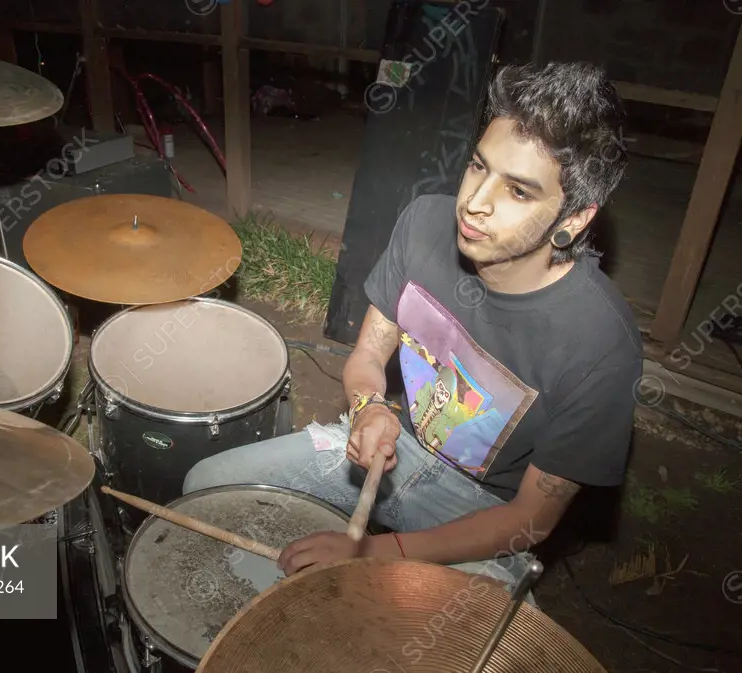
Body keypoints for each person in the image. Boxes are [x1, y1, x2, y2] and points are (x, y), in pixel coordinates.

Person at [183, 61, 643, 592]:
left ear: (575, 217)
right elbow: (367, 359)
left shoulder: (600, 344)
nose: (474, 203)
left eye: (518, 191)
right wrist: (369, 409)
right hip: (398, 447)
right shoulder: (425, 222)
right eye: (478, 165)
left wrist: (373, 552)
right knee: (207, 488)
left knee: (459, 652)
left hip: (484, 510)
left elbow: (531, 521)